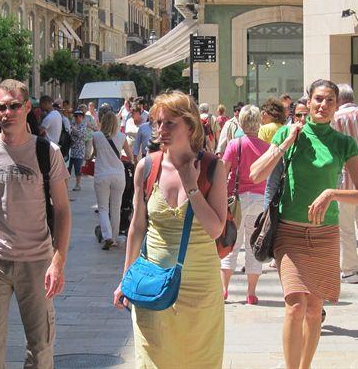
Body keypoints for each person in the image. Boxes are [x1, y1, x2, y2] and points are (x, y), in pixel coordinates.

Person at [250, 79, 358, 369]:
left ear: (337, 105)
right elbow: (255, 174)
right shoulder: (288, 134)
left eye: (330, 100)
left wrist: (331, 194)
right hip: (289, 233)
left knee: (314, 309)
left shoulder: (343, 143)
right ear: (308, 101)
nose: (323, 105)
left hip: (325, 235)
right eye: (318, 99)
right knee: (295, 306)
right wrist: (286, 142)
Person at [113, 91, 227, 368]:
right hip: (153, 282)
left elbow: (215, 229)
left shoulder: (213, 167)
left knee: (199, 360)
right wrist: (126, 278)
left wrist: (192, 188)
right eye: (157, 123)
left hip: (200, 286)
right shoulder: (147, 167)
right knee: (153, 359)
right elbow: (137, 227)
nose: (160, 130)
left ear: (190, 126)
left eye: (169, 123)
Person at [0, 79, 71, 368]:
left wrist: (58, 261)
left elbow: (63, 210)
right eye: (1, 107)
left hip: (37, 261)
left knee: (40, 348)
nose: (7, 113)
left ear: (27, 107)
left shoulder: (47, 152)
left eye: (14, 106)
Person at [220, 105, 269, 303]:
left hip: (236, 199)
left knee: (231, 243)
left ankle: (224, 290)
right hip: (259, 199)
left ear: (240, 122)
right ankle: (251, 293)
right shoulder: (266, 147)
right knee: (253, 245)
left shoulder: (235, 145)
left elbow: (223, 172)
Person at [333, 83, 358, 284]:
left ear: (339, 100)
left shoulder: (336, 119)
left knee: (345, 226)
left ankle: (350, 270)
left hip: (344, 177)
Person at [93, 110, 132, 250]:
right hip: (118, 175)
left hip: (101, 174)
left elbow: (95, 154)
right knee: (116, 207)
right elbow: (130, 156)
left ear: (103, 122)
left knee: (103, 208)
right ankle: (114, 239)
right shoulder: (122, 137)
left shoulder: (96, 136)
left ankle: (107, 235)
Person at [68, 110, 87, 192]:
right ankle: (65, 185)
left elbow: (80, 135)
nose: (77, 118)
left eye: (79, 116)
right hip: (70, 151)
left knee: (77, 169)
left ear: (82, 117)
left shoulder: (83, 125)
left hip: (79, 151)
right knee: (67, 169)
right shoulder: (72, 124)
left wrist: (72, 128)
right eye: (75, 116)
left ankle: (78, 184)